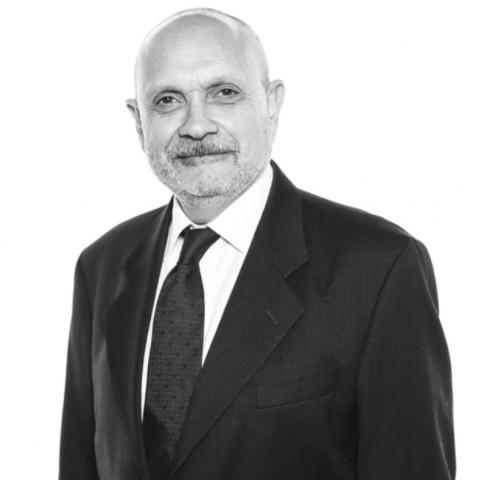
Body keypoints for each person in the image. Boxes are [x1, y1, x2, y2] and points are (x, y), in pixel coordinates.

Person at [59, 7, 455, 480]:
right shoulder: (101, 267)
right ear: (138, 122)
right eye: (167, 100)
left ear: (271, 104)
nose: (196, 125)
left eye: (224, 93)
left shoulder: (378, 268)